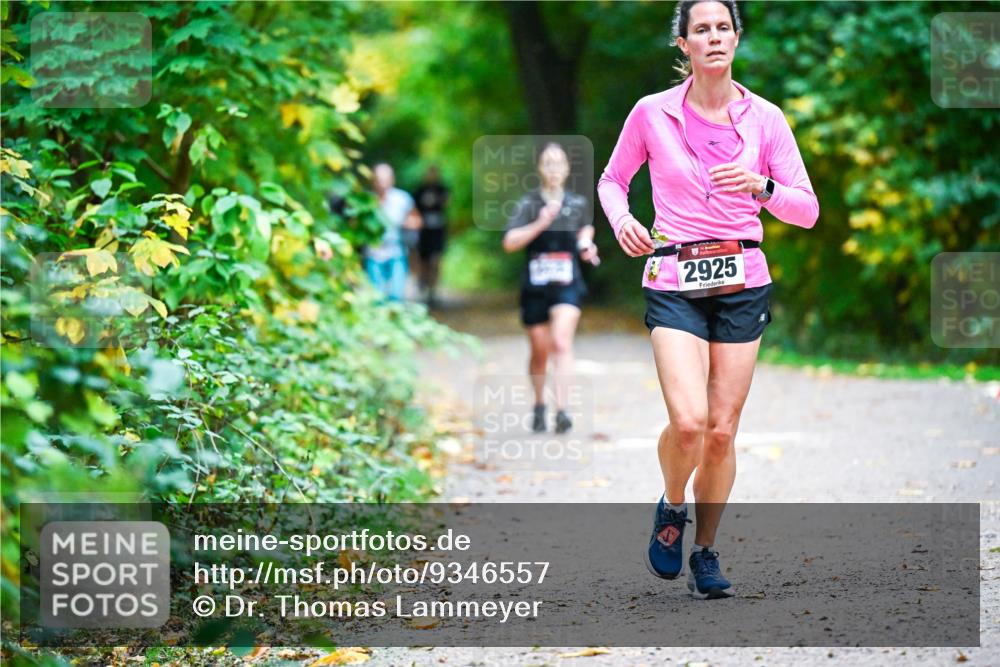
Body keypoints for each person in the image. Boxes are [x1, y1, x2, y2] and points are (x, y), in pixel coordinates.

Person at [597, 0, 818, 599]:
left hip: (743, 279)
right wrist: (622, 220)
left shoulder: (766, 119)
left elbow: (807, 208)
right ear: (684, 44)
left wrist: (762, 186)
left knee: (721, 430)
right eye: (702, 29)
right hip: (674, 278)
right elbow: (612, 180)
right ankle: (672, 506)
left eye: (724, 28)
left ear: (737, 39)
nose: (714, 37)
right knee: (689, 421)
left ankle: (706, 552)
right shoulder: (651, 114)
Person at [503, 143, 599, 434]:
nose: (553, 169)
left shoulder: (577, 204)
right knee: (540, 351)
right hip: (535, 286)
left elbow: (586, 231)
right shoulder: (528, 204)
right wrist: (540, 223)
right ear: (540, 168)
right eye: (548, 163)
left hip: (567, 284)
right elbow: (509, 243)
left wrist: (586, 246)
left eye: (559, 163)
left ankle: (562, 410)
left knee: (561, 342)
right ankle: (538, 405)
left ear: (567, 168)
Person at [366, 163, 421, 302]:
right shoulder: (365, 200)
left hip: (396, 250)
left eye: (385, 179)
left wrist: (407, 224)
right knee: (376, 296)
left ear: (392, 180)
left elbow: (417, 220)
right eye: (379, 180)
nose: (382, 184)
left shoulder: (402, 199)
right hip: (373, 252)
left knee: (396, 295)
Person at [414, 165, 450, 308]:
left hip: (438, 231)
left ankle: (433, 289)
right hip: (424, 231)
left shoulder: (442, 189)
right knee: (423, 260)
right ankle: (424, 282)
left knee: (436, 260)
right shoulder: (420, 190)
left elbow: (447, 203)